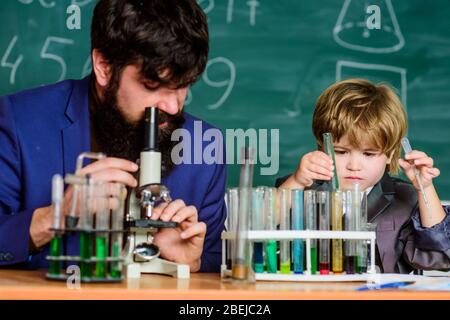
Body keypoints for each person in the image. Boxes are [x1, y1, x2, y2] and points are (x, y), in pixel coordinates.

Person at [0, 0, 226, 273]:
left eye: (184, 86)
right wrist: (56, 216)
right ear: (104, 66)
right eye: (153, 86)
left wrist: (193, 262)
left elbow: (217, 263)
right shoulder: (19, 122)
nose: (173, 106)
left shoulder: (204, 146)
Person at [278, 78, 450, 273]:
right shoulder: (301, 189)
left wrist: (425, 188)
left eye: (368, 154)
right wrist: (297, 181)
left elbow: (440, 256)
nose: (354, 166)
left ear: (390, 154)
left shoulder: (406, 198)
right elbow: (265, 227)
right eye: (341, 151)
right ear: (322, 147)